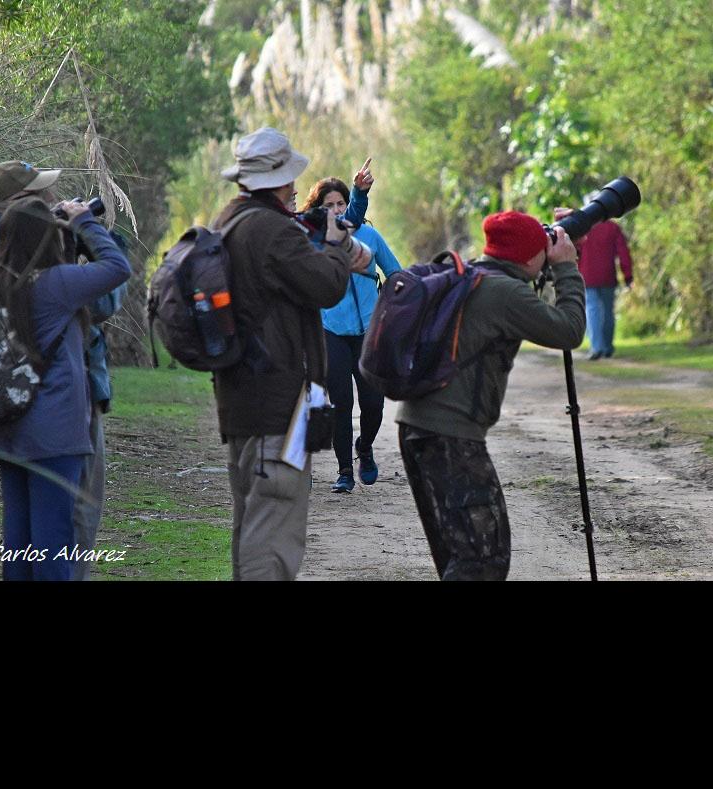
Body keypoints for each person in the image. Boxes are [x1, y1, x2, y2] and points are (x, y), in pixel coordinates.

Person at [395, 210, 586, 581]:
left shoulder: (474, 275)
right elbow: (568, 330)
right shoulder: (505, 293)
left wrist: (563, 262)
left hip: (416, 426)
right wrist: (566, 267)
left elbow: (538, 310)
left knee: (459, 556)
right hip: (450, 436)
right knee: (482, 560)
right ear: (528, 258)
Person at [0, 160, 128, 578]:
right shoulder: (58, 285)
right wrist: (86, 225)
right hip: (56, 432)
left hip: (9, 426)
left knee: (18, 545)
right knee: (55, 541)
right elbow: (116, 271)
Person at [212, 126, 357, 581]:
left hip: (243, 398)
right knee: (272, 536)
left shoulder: (230, 220)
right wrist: (335, 246)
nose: (295, 186)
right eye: (290, 177)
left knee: (253, 524)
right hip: (275, 407)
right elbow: (327, 285)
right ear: (279, 181)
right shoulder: (272, 230)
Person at [301, 169, 400, 492]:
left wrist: (393, 307)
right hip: (330, 329)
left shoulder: (369, 237)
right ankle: (344, 471)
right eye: (329, 205)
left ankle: (364, 447)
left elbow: (395, 273)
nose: (336, 210)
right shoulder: (315, 241)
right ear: (318, 209)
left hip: (368, 331)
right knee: (341, 403)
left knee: (373, 404)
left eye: (341, 203)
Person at [577, 209, 633, 360]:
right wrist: (627, 275)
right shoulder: (612, 227)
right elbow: (623, 253)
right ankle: (607, 347)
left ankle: (596, 347)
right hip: (607, 276)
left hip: (587, 275)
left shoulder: (582, 228)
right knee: (608, 311)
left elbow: (575, 252)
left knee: (592, 310)